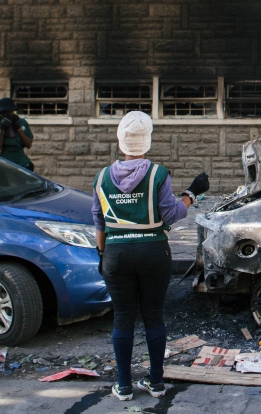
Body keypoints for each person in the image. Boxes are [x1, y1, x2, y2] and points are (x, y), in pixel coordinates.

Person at [93, 111, 211, 401]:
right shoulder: (158, 174)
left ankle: (123, 386)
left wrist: (102, 253)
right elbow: (170, 215)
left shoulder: (102, 177)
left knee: (123, 318)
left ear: (121, 140)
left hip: (116, 253)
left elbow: (99, 221)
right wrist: (192, 193)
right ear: (147, 141)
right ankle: (156, 383)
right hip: (153, 252)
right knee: (153, 316)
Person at [0, 97, 34, 170]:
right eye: (4, 113)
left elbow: (28, 144)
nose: (8, 115)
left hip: (21, 160)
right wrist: (2, 130)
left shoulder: (21, 122)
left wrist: (18, 128)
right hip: (4, 161)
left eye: (9, 112)